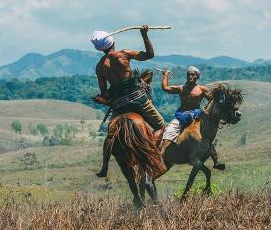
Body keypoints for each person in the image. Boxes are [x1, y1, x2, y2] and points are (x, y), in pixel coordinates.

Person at [91, 25, 165, 177]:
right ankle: (152, 151)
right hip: (138, 99)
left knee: (110, 137)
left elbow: (104, 93)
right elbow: (149, 54)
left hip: (119, 106)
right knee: (161, 126)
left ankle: (104, 167)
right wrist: (144, 34)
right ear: (112, 42)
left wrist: (102, 99)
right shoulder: (123, 54)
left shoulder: (99, 67)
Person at [160, 65, 225, 170]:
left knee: (205, 135)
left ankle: (216, 161)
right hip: (181, 115)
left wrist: (219, 95)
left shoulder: (202, 89)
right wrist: (166, 75)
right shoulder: (181, 88)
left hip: (196, 116)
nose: (190, 76)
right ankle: (161, 152)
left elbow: (212, 101)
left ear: (197, 77)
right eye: (188, 74)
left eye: (193, 75)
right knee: (170, 131)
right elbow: (165, 88)